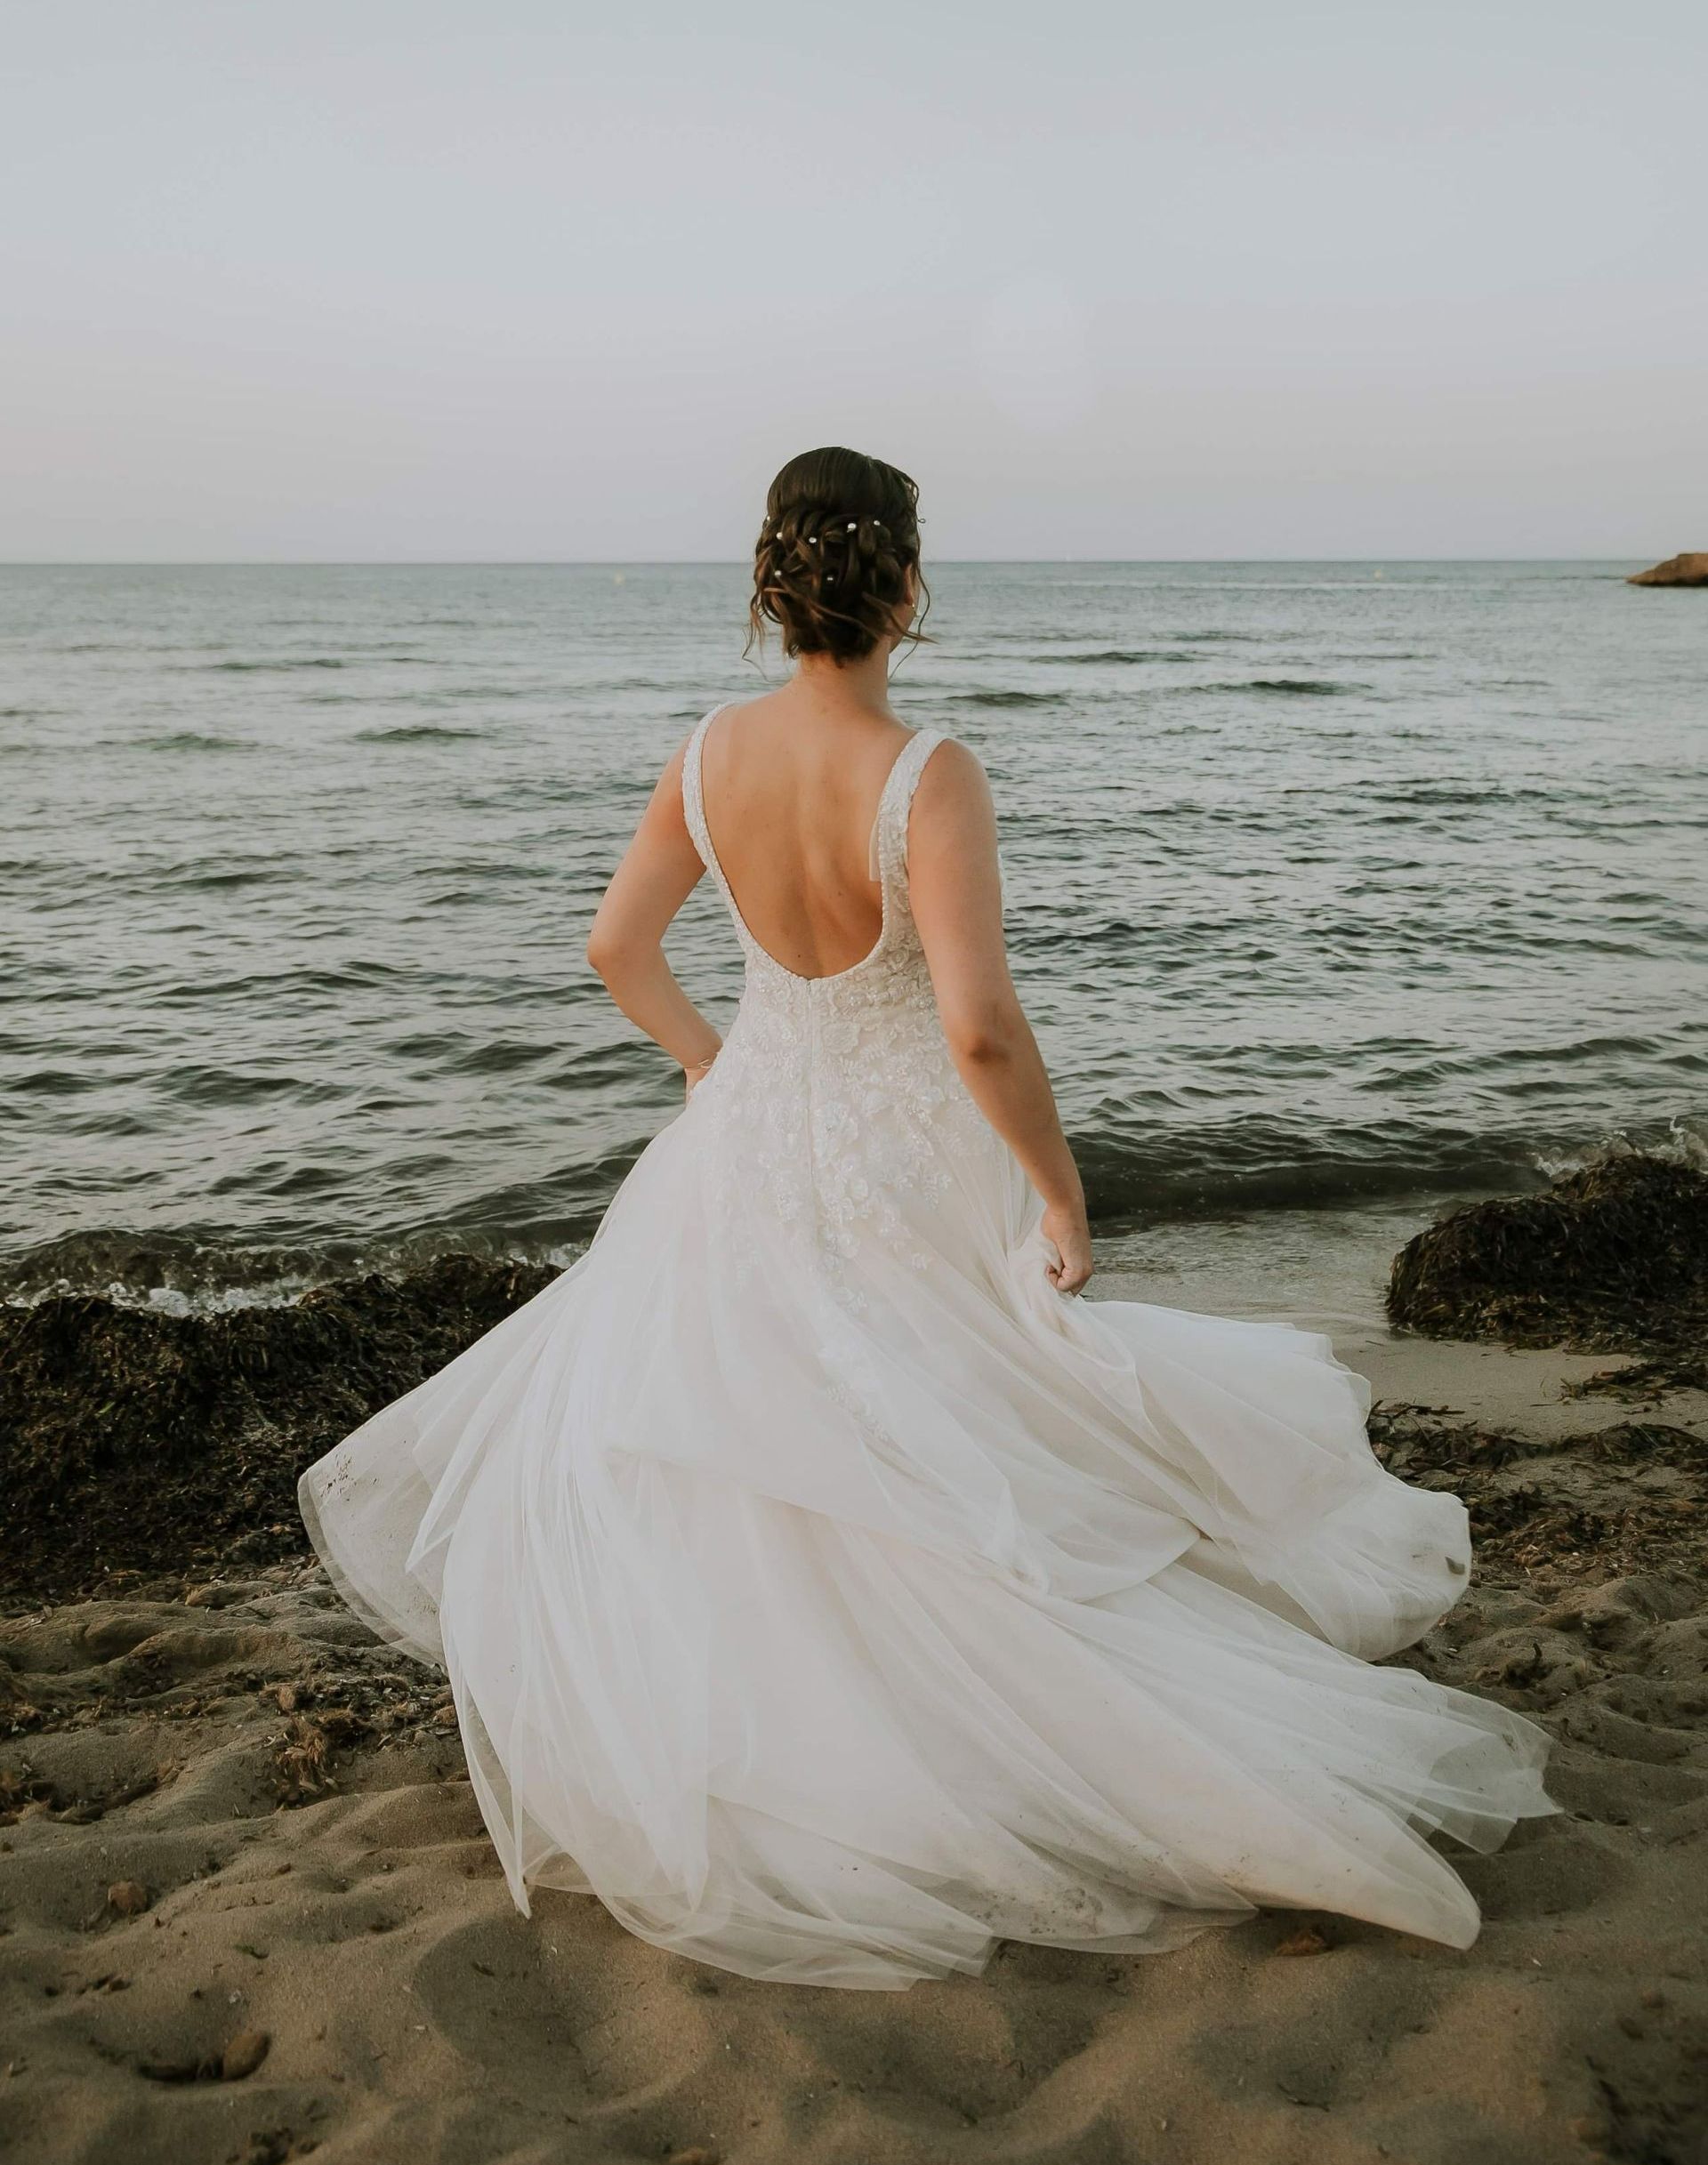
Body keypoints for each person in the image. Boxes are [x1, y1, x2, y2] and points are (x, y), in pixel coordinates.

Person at [300, 446, 1552, 1989]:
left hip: (744, 1151)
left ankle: (789, 1739)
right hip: (902, 1162)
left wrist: (712, 1064)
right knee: (943, 1432)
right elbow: (976, 1029)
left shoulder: (707, 755)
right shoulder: (927, 773)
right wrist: (1060, 1187)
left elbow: (617, 945)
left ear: (773, 588)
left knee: (763, 1451)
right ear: (904, 584)